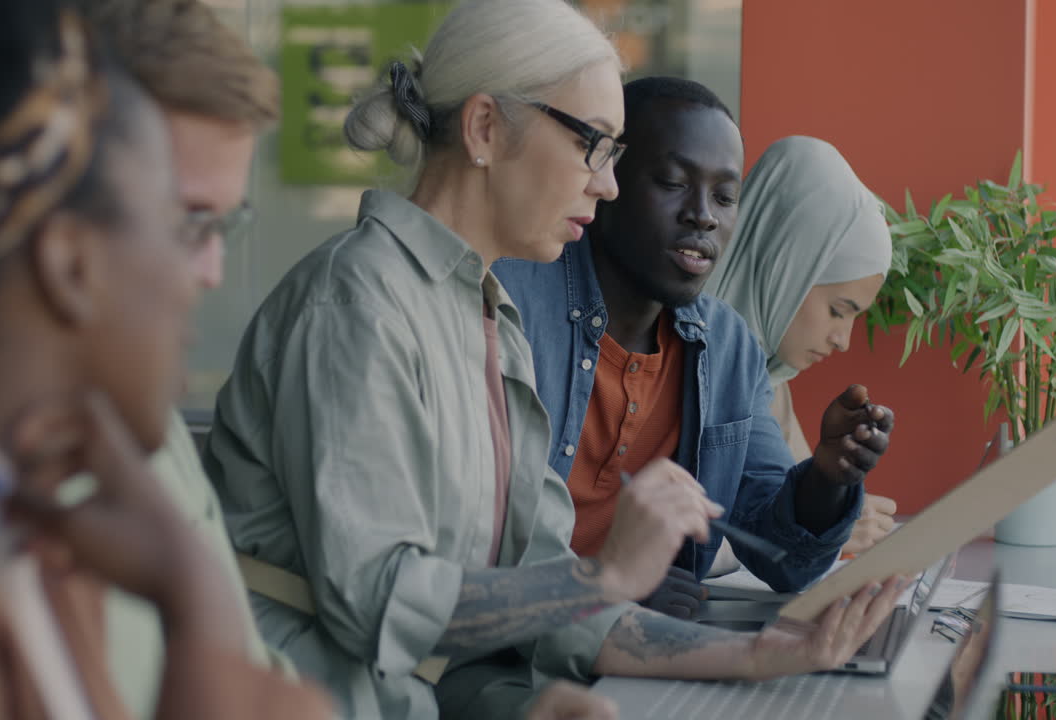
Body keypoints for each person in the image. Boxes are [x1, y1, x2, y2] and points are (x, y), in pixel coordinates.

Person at [205, 3, 905, 718]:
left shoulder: (486, 316)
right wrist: (604, 575)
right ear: (483, 129)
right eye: (594, 145)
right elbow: (378, 604)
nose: (606, 183)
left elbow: (543, 585)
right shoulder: (359, 304)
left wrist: (763, 655)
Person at [0, 1, 331, 718]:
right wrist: (199, 604)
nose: (205, 270)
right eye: (179, 222)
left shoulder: (59, 495)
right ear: (70, 261)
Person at [492, 77, 895, 620]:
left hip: (650, 657)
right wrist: (606, 592)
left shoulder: (730, 348)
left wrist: (827, 479)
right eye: (673, 182)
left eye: (725, 197)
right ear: (609, 180)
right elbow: (465, 547)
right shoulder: (507, 301)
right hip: (511, 661)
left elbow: (781, 558)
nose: (704, 214)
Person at [71, 1, 294, 714]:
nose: (212, 271)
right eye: (191, 220)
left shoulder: (148, 410)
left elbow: (254, 673)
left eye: (225, 223)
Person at [705, 135, 898, 559]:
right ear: (786, 268)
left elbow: (784, 517)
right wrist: (834, 535)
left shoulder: (771, 382)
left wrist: (832, 512)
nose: (842, 340)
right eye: (837, 310)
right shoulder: (672, 352)